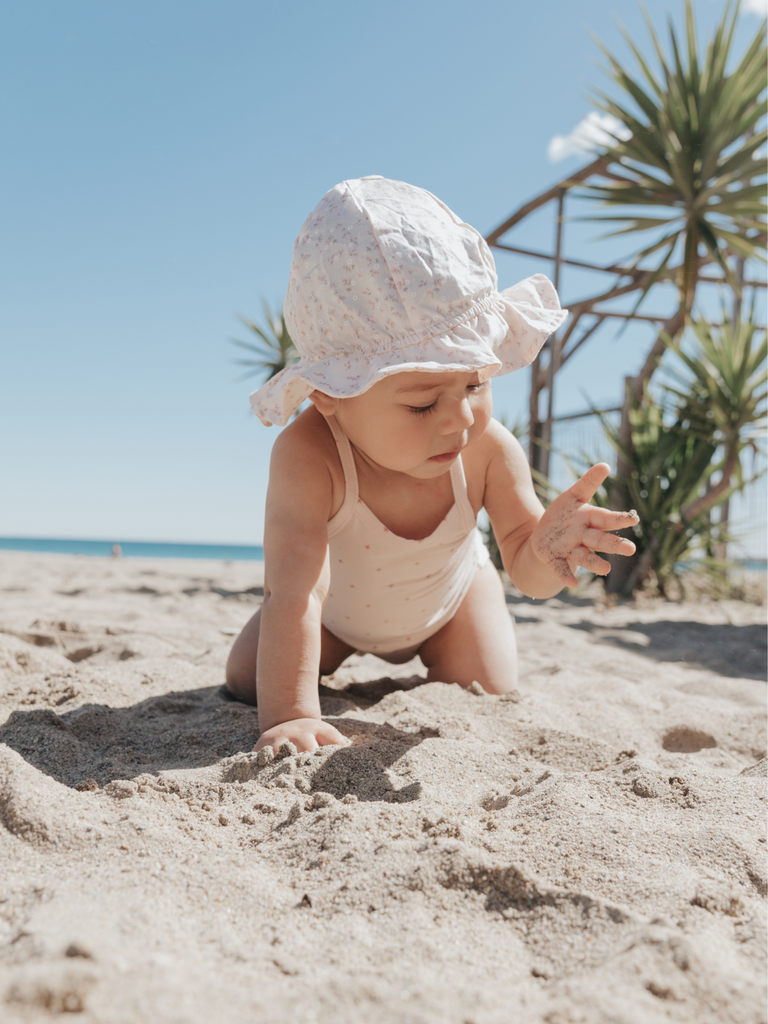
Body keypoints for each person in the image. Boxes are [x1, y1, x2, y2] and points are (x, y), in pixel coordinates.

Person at [226, 176, 638, 753]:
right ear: (332, 396)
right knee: (248, 681)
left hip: (449, 603)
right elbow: (295, 591)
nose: (459, 419)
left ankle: (443, 640)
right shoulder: (309, 454)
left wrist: (544, 549)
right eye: (422, 403)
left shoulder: (489, 448)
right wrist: (292, 714)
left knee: (490, 686)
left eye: (474, 383)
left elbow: (526, 566)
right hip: (333, 617)